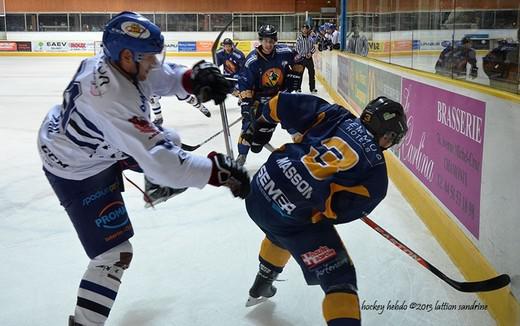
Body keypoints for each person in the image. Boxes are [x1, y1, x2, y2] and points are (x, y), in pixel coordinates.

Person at [37, 12, 250, 326]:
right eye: (148, 57)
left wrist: (193, 79)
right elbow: (162, 163)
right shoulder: (111, 97)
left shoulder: (117, 64)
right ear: (126, 56)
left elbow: (160, 76)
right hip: (77, 168)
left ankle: (154, 187)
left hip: (93, 144)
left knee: (171, 138)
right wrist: (218, 172)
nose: (153, 62)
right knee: (114, 255)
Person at [242, 93, 408, 326]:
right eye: (391, 137)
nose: (389, 144)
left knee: (281, 230)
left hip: (258, 190)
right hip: (290, 215)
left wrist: (260, 126)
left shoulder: (336, 114)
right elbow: (335, 213)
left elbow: (279, 104)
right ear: (386, 134)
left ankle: (261, 284)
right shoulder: (376, 176)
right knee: (339, 278)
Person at [236, 24, 303, 166]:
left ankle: (304, 151)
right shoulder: (252, 60)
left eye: (271, 41)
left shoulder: (284, 51)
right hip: (258, 100)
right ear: (260, 41)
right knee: (248, 126)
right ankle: (242, 156)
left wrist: (295, 76)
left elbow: (299, 58)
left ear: (275, 41)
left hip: (279, 97)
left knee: (292, 121)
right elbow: (245, 83)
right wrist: (246, 105)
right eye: (266, 41)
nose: (268, 44)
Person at [483, 28, 519, 93]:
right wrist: (496, 76)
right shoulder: (507, 52)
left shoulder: (509, 52)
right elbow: (488, 66)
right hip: (506, 85)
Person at [295, 24, 317, 93]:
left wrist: (310, 53)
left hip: (309, 59)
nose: (304, 30)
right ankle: (298, 88)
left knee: (311, 73)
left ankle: (312, 88)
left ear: (308, 30)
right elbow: (297, 49)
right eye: (303, 28)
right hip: (301, 59)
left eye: (306, 28)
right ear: (301, 29)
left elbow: (314, 47)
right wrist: (303, 55)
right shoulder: (299, 38)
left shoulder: (311, 38)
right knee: (299, 74)